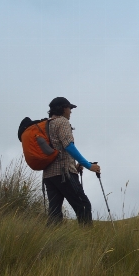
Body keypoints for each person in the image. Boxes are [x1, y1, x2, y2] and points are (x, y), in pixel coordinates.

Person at [42, 97, 101, 226]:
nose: (71, 111)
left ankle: (50, 242)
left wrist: (75, 165)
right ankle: (87, 240)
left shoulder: (47, 124)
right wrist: (88, 165)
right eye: (70, 108)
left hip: (48, 175)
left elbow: (57, 149)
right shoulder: (62, 122)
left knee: (54, 212)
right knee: (83, 205)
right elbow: (68, 146)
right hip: (64, 174)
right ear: (63, 108)